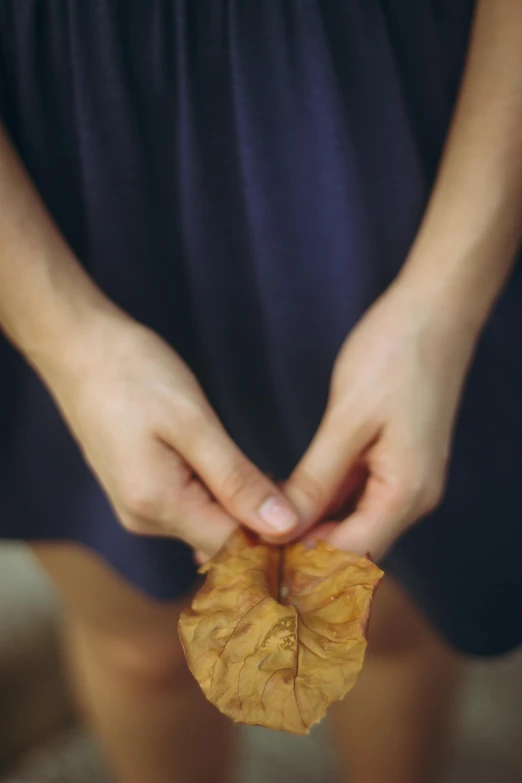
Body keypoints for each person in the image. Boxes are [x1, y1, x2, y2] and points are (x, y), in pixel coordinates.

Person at [1, 2, 521, 782]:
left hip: (389, 135)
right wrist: (64, 336)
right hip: (60, 179)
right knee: (136, 639)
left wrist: (443, 305)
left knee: (397, 611)